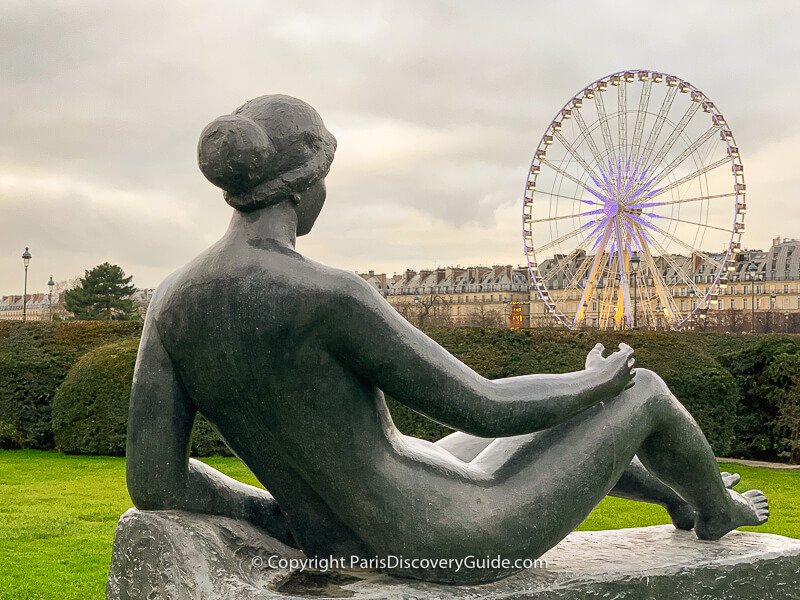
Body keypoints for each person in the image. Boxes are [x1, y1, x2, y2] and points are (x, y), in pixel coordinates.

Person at [126, 95, 768, 584]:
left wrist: (272, 511)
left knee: (525, 438)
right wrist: (594, 381)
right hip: (451, 538)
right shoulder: (331, 296)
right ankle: (716, 511)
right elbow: (482, 405)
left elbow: (155, 483)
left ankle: (680, 496)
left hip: (357, 527)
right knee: (645, 394)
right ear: (302, 184)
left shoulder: (171, 303)